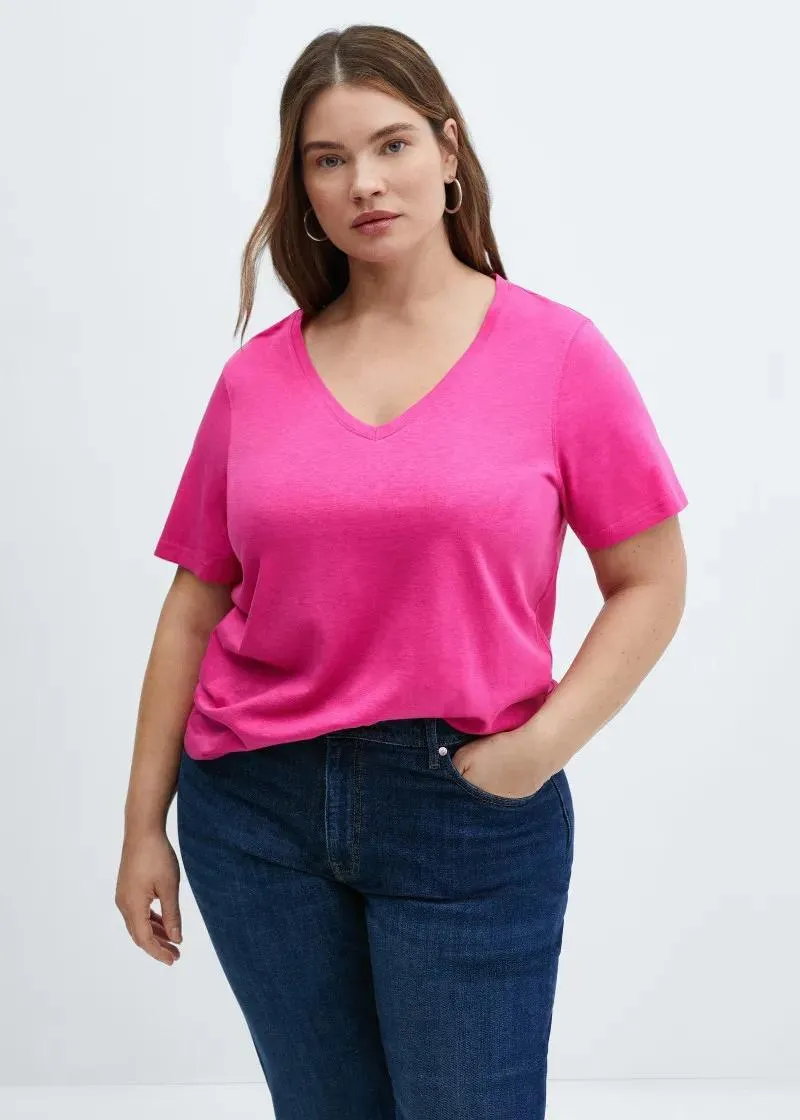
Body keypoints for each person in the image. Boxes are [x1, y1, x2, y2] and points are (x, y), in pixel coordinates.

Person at [115, 22, 689, 1120]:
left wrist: (536, 752)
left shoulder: (558, 356)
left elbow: (651, 578)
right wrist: (144, 826)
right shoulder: (255, 381)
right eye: (328, 160)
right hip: (254, 811)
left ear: (447, 149)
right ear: (302, 187)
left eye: (390, 145)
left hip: (465, 811)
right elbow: (194, 604)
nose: (364, 183)